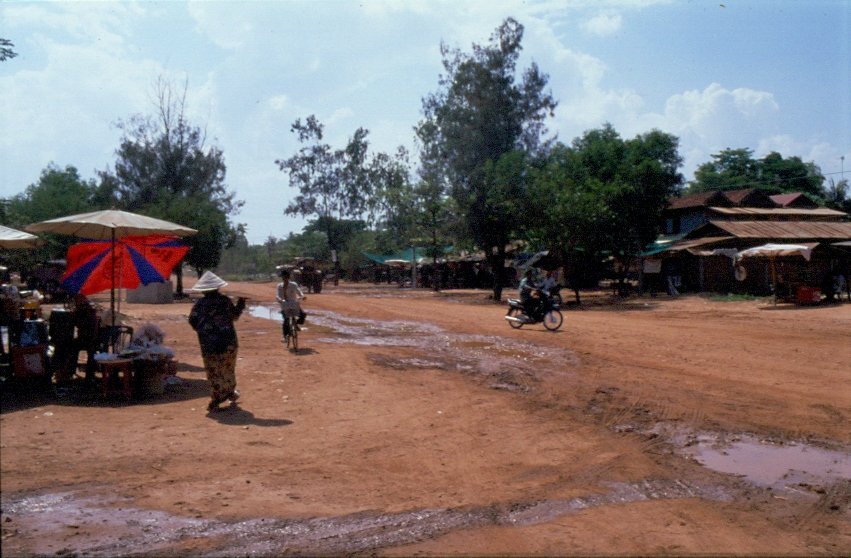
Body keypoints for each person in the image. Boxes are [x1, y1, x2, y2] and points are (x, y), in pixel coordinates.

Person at [188, 271, 245, 412]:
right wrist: (241, 305)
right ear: (217, 287)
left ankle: (217, 397)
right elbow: (235, 316)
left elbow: (192, 320)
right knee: (228, 368)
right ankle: (228, 392)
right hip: (228, 341)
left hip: (209, 344)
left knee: (214, 371)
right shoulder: (225, 301)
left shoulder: (199, 304)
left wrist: (204, 331)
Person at [276, 267, 306, 340]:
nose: (285, 279)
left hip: (294, 303)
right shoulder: (280, 286)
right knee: (286, 320)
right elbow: (278, 295)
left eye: (286, 277)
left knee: (303, 315)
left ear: (288, 278)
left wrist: (302, 296)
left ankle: (295, 324)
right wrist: (279, 299)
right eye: (283, 278)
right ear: (282, 278)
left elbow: (299, 291)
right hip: (284, 305)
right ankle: (285, 336)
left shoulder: (293, 285)